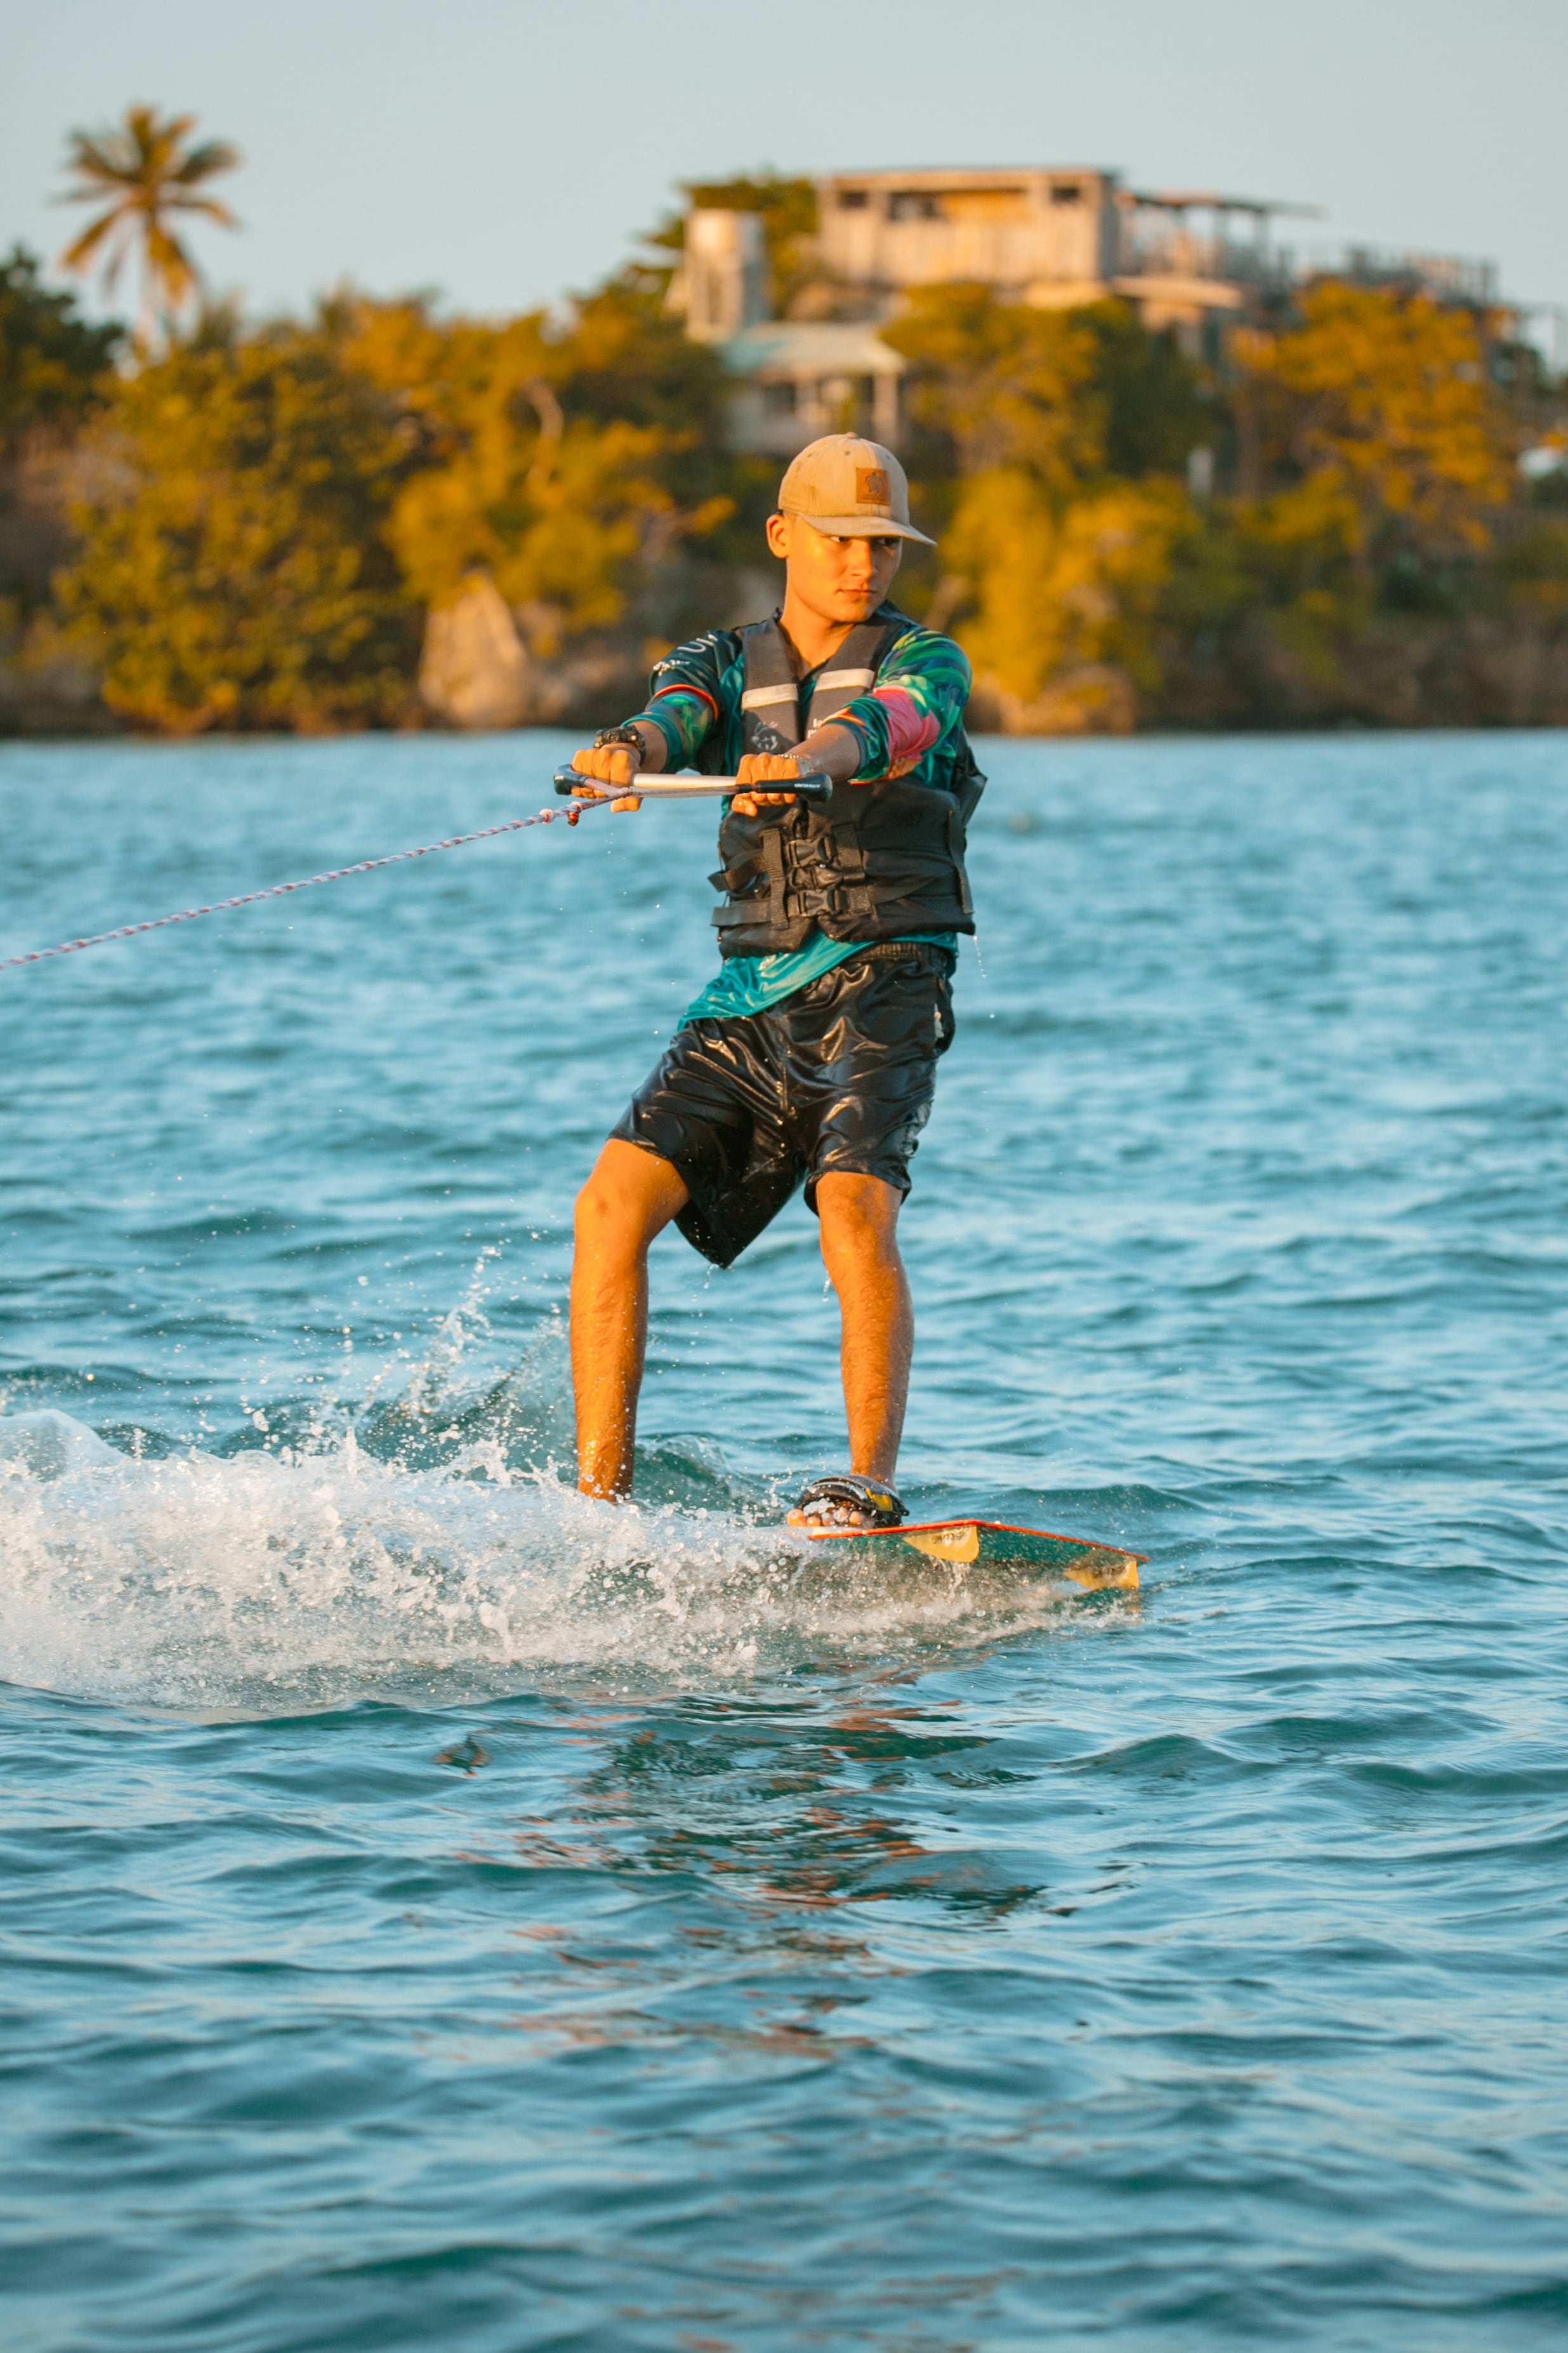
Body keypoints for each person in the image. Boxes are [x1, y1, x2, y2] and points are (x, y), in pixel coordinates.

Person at [567, 433, 983, 1530]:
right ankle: (595, 1510)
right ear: (783, 536)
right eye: (844, 540)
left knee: (852, 1208)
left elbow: (891, 726)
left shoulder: (927, 660)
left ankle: (868, 1490)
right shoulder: (719, 659)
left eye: (885, 545)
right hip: (751, 998)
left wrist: (810, 757)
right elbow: (670, 716)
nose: (866, 564)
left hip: (886, 979)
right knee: (610, 1206)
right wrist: (627, 753)